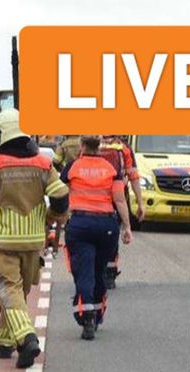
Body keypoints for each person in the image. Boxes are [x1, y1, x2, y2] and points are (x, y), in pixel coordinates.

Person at [0, 109, 70, 368]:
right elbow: (61, 197)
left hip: (2, 242)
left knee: (9, 292)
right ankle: (6, 342)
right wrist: (49, 219)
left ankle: (27, 338)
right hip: (33, 243)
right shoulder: (42, 164)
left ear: (1, 133)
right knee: (18, 294)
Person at [61, 136, 132, 340]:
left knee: (83, 271)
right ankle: (97, 312)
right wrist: (127, 226)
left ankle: (88, 315)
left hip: (80, 224)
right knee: (99, 269)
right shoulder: (110, 168)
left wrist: (57, 221)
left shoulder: (73, 167)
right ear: (99, 147)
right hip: (105, 225)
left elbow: (60, 193)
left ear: (82, 146)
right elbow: (119, 199)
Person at [100, 135, 144, 289]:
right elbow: (133, 177)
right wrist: (140, 203)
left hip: (92, 200)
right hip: (116, 199)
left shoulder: (91, 146)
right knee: (112, 237)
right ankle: (110, 274)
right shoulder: (124, 149)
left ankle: (96, 271)